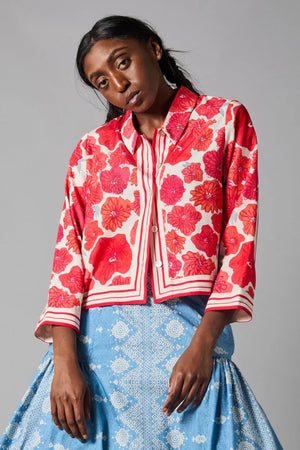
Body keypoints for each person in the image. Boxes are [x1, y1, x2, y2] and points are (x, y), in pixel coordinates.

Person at [0, 15, 283, 449]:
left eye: (123, 62)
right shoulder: (92, 150)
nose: (118, 83)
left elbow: (240, 240)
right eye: (102, 80)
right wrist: (64, 364)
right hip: (96, 357)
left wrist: (203, 346)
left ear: (153, 48)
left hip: (190, 346)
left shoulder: (224, 121)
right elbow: (68, 260)